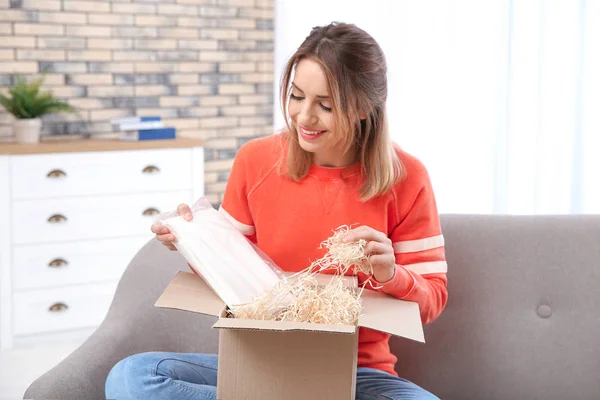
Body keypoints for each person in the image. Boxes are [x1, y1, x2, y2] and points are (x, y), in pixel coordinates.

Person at [105, 21, 447, 400]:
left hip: (356, 374)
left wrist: (391, 273)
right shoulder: (257, 160)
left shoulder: (407, 177)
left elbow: (431, 300)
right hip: (259, 364)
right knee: (133, 376)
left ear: (365, 107)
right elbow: (232, 277)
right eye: (297, 96)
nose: (303, 117)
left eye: (326, 105)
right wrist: (193, 239)